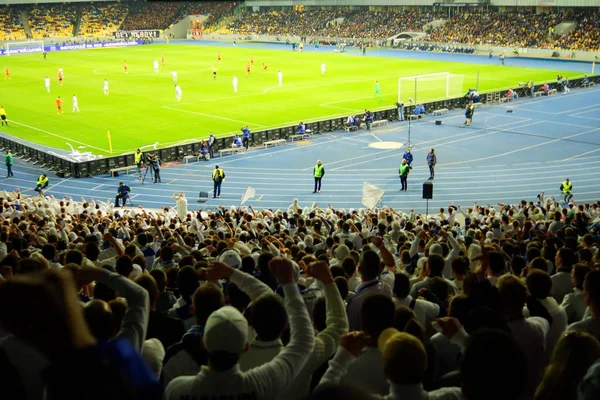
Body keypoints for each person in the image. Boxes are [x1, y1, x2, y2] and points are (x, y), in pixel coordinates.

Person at [164, 258, 315, 400]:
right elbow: (304, 341)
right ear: (245, 346)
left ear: (203, 342)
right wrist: (288, 283)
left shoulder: (177, 389)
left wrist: (230, 273)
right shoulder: (261, 384)